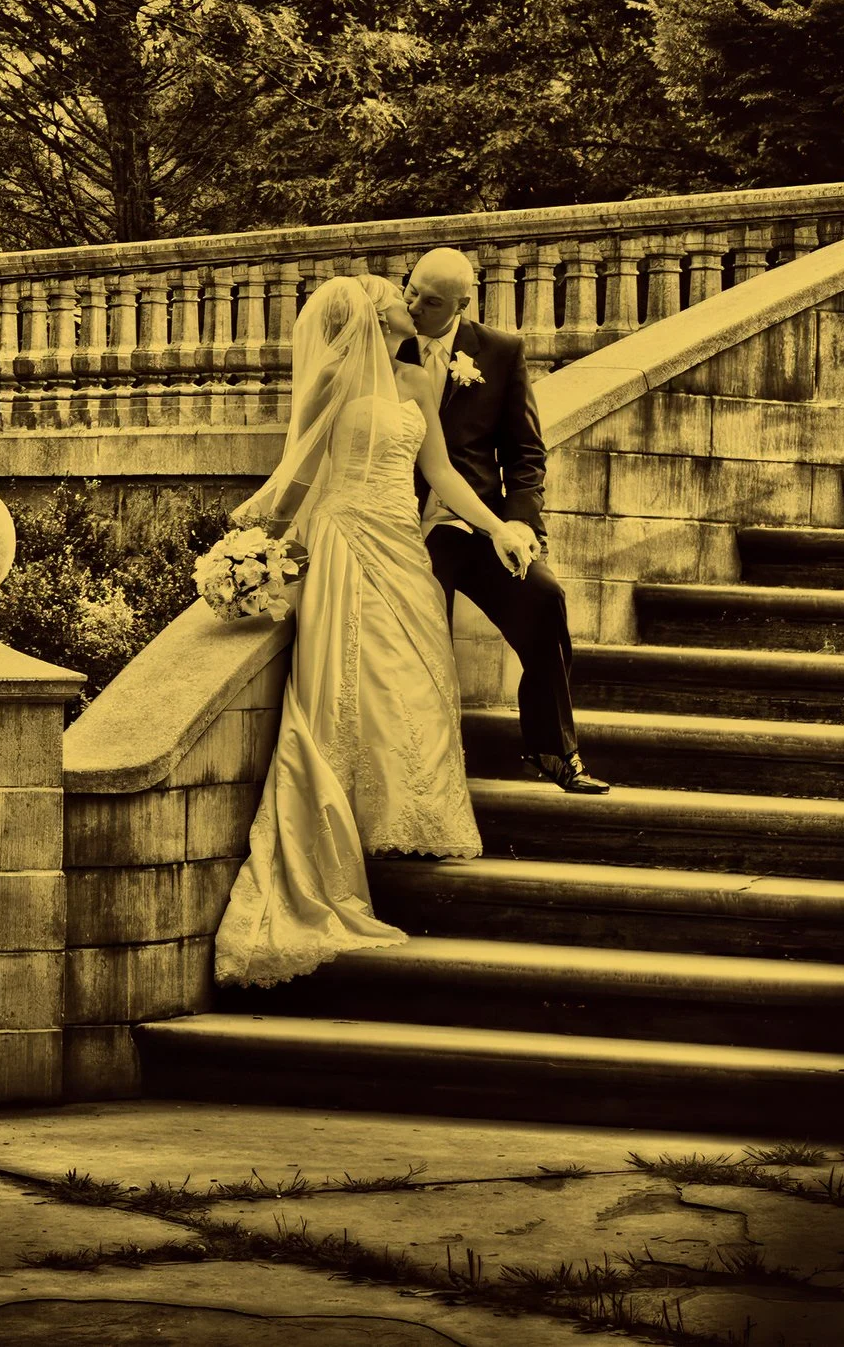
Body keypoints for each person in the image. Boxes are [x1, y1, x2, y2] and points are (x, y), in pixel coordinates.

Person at [212, 274, 528, 986]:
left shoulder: (419, 382)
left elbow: (441, 472)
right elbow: (300, 468)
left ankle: (408, 813)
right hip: (345, 535)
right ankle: (346, 821)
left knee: (416, 669)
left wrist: (498, 524)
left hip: (399, 540)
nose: (400, 296)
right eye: (393, 291)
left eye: (409, 290)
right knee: (354, 675)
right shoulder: (332, 376)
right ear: (367, 311)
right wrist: (254, 546)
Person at [397, 247, 610, 796]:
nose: (415, 304)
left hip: (477, 523)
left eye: (432, 300)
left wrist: (519, 526)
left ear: (464, 304)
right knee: (424, 620)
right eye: (412, 289)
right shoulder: (381, 344)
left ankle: (553, 750)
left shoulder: (499, 351)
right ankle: (425, 769)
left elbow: (525, 454)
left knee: (544, 598)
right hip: (397, 523)